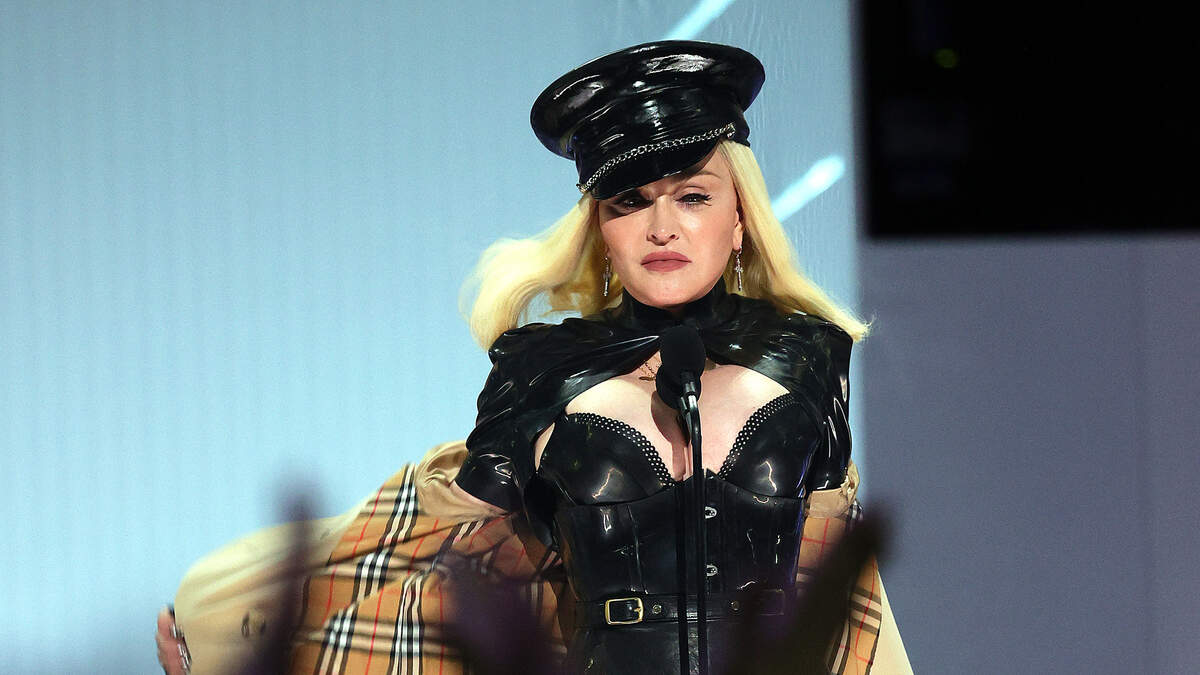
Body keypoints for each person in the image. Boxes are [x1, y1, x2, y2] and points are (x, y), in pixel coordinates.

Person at [157, 40, 910, 674]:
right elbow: (417, 553)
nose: (661, 227)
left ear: (740, 218)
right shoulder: (543, 368)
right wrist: (230, 636)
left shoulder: (809, 354)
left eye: (693, 196)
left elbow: (846, 593)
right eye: (628, 202)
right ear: (601, 231)